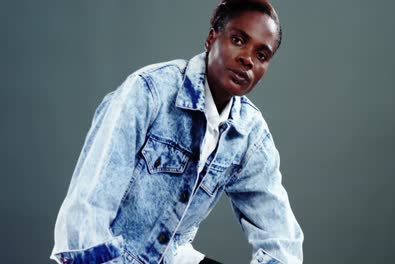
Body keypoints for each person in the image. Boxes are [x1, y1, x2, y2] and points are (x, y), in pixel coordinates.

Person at [51, 0, 303, 263]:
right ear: (211, 38)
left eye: (262, 55)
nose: (247, 59)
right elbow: (86, 216)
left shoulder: (249, 134)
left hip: (170, 256)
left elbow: (282, 242)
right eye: (238, 40)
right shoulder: (149, 92)